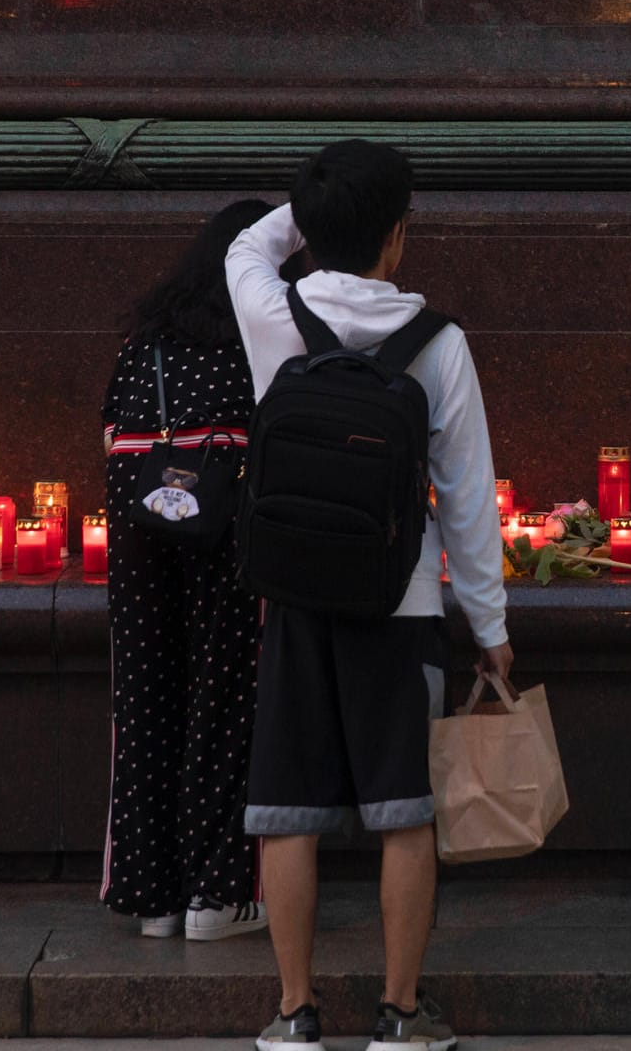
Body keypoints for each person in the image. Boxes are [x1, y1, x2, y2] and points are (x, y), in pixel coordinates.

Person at [227, 140, 511, 1050]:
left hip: (295, 598)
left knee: (287, 815)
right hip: (402, 609)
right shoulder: (439, 344)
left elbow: (245, 250)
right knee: (404, 814)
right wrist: (491, 624)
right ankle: (398, 1015)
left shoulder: (274, 314)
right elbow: (466, 493)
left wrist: (305, 216)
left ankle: (293, 1013)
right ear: (398, 238)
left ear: (312, 234)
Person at [97, 199, 281, 942]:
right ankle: (220, 892)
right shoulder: (261, 336)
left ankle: (151, 897)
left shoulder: (146, 345)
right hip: (231, 526)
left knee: (144, 698)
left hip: (142, 522)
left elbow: (111, 431)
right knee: (229, 699)